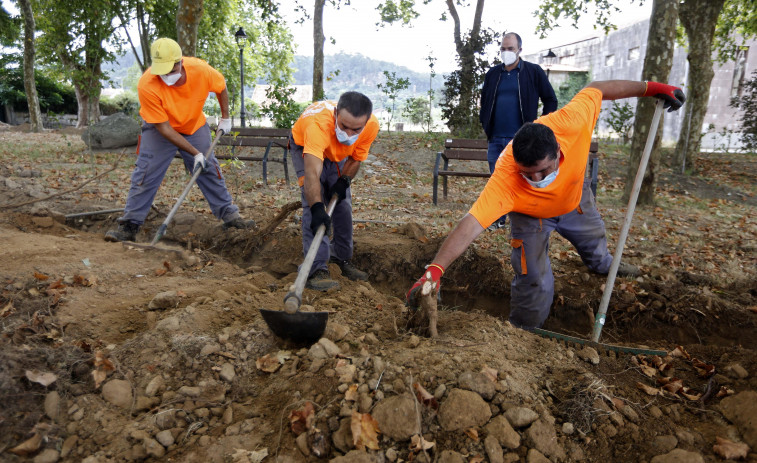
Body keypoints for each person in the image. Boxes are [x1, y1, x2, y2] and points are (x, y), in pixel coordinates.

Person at [408, 80, 685, 330]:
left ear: (557, 152)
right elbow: (471, 224)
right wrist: (436, 269)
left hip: (575, 199)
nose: (536, 179)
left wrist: (651, 88)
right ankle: (524, 332)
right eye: (527, 173)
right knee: (534, 279)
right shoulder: (507, 176)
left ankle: (602, 265)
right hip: (531, 217)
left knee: (594, 241)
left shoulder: (572, 122)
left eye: (543, 170)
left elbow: (598, 88)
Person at [105, 38, 253, 242]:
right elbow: (164, 128)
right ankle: (130, 225)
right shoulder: (147, 84)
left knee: (208, 167)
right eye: (162, 70)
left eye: (170, 69)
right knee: (146, 171)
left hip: (193, 124)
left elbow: (221, 87)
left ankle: (229, 214)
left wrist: (225, 117)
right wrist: (195, 153)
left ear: (180, 61)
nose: (165, 75)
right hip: (160, 129)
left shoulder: (200, 70)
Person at [289, 92, 380, 291]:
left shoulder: (371, 126)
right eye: (343, 126)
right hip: (305, 145)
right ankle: (316, 268)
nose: (348, 134)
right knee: (314, 202)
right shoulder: (319, 126)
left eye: (355, 129)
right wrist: (317, 208)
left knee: (342, 203)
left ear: (365, 123)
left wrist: (344, 180)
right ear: (336, 113)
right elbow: (312, 173)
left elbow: (356, 157)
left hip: (337, 151)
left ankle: (341, 258)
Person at [479, 32, 558, 230]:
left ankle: (527, 218)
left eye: (510, 49)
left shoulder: (533, 71)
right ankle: (498, 219)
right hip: (496, 137)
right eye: (503, 49)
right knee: (497, 179)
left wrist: (542, 125)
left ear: (519, 50)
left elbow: (550, 99)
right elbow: (485, 101)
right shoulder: (493, 74)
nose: (506, 52)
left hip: (522, 140)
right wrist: (485, 122)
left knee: (525, 179)